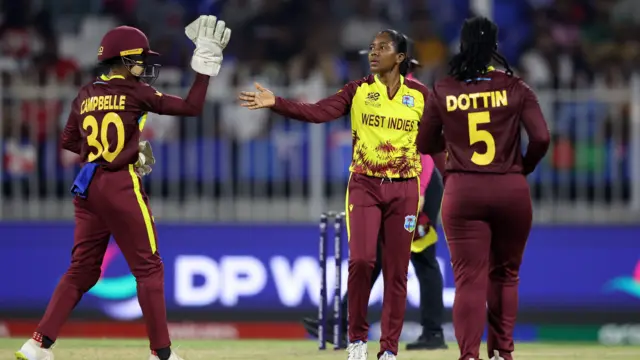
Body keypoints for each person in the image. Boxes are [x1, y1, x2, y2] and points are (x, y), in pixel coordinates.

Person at [15, 16, 231, 360]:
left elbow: (70, 141)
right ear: (127, 59)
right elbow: (192, 107)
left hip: (88, 187)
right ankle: (161, 354)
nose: (145, 66)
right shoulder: (136, 91)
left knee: (81, 270)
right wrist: (204, 69)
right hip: (120, 185)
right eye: (141, 59)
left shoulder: (85, 94)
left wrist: (118, 148)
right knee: (149, 268)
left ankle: (37, 344)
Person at [239, 29, 428, 360]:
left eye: (382, 48)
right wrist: (277, 103)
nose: (373, 53)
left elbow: (439, 141)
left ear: (399, 58)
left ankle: (389, 351)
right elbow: (318, 112)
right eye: (371, 48)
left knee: (398, 271)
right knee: (362, 261)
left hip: (405, 189)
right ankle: (357, 340)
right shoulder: (357, 91)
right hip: (365, 185)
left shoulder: (421, 95)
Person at [416, 17, 550, 360]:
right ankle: (502, 354)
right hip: (510, 189)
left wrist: (450, 169)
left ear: (461, 45)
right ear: (495, 47)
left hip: (463, 191)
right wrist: (523, 168)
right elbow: (541, 137)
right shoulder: (516, 87)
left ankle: (469, 357)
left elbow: (425, 141)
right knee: (505, 275)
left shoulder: (444, 88)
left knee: (469, 280)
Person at [302, 154, 448, 351]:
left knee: (423, 258)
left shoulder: (410, 121)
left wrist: (420, 191)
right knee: (374, 258)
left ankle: (433, 333)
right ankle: (339, 323)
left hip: (421, 184)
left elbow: (424, 153)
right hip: (397, 183)